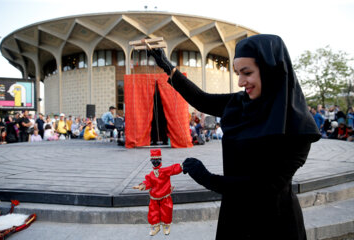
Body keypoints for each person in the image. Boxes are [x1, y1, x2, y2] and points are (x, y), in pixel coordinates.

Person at [148, 34, 321, 240]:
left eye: (247, 73)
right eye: (237, 73)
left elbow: (265, 186)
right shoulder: (240, 102)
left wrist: (207, 178)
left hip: (275, 224)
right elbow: (202, 100)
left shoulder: (297, 126)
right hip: (235, 219)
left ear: (269, 69)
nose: (240, 82)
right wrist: (168, 66)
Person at [133, 149, 182, 236]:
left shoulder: (165, 171)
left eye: (157, 160)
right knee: (153, 212)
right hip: (154, 196)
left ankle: (166, 225)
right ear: (151, 161)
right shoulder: (151, 174)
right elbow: (148, 181)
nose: (155, 162)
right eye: (153, 160)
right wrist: (142, 186)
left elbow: (174, 169)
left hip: (165, 196)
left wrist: (183, 166)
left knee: (166, 210)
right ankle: (155, 227)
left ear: (160, 160)